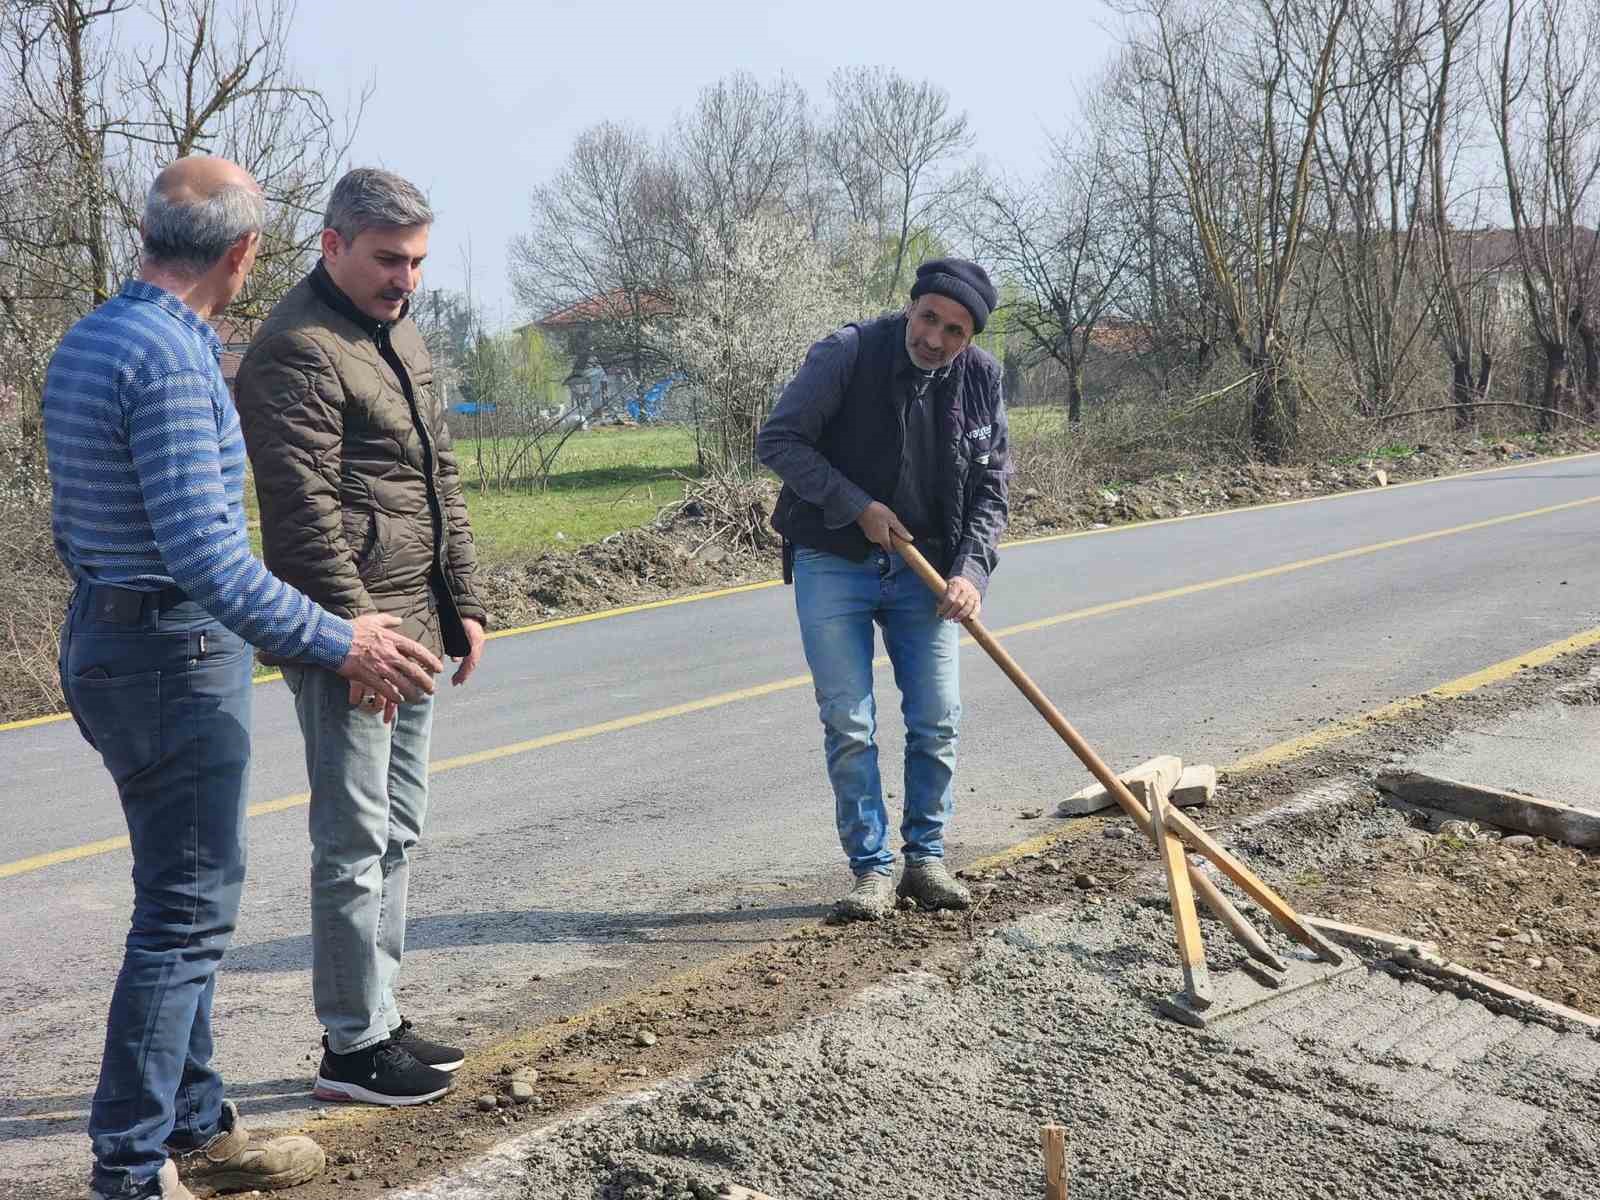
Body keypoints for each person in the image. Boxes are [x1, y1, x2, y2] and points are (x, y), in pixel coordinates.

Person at [44, 156, 443, 1200]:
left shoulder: (94, 338)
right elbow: (206, 557)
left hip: (106, 634)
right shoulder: (174, 362)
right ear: (244, 252)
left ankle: (200, 1129)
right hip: (171, 651)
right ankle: (130, 1170)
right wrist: (339, 640)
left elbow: (83, 521)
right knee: (183, 917)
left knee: (176, 893)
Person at [235, 168, 489, 1106]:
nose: (406, 279)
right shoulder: (297, 349)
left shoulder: (401, 332)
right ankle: (351, 1048)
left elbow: (438, 474)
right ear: (332, 245)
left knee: (400, 831)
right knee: (351, 841)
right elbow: (301, 519)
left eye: (418, 261)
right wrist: (354, 640)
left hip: (414, 622)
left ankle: (380, 1012)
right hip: (351, 634)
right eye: (389, 259)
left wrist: (465, 597)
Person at [756, 258, 1010, 923]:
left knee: (937, 717)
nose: (934, 339)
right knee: (849, 721)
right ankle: (871, 870)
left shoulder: (981, 381)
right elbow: (779, 439)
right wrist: (857, 506)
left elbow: (991, 491)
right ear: (911, 306)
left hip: (925, 571)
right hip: (834, 557)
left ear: (970, 338)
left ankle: (924, 859)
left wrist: (970, 573)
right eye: (928, 318)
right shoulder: (848, 353)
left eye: (954, 331)